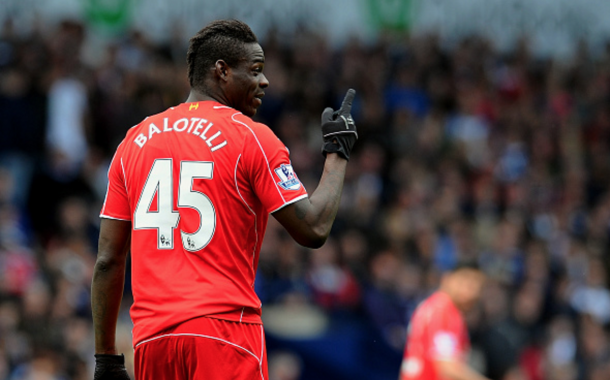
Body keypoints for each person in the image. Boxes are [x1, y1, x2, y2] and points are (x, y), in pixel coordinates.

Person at [91, 19, 358, 380]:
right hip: (224, 333)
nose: (265, 82)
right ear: (222, 71)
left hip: (153, 341)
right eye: (256, 70)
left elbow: (108, 260)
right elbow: (313, 228)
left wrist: (107, 358)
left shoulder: (133, 142)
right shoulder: (252, 138)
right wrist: (338, 152)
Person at [399, 262, 490, 380]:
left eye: (476, 285)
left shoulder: (433, 305)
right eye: (465, 281)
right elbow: (447, 367)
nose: (470, 291)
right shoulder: (444, 311)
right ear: (447, 278)